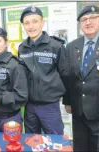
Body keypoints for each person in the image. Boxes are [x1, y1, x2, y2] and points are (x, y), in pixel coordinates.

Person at [64, 5, 99, 151]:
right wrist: (68, 101)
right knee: (80, 147)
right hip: (78, 111)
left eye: (93, 18)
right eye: (84, 20)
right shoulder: (71, 47)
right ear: (80, 25)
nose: (88, 22)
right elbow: (68, 77)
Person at [18, 6, 69, 134]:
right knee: (31, 142)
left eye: (35, 21)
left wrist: (69, 101)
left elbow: (66, 75)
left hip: (50, 107)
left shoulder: (56, 46)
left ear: (42, 22)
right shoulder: (22, 48)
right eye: (27, 23)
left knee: (55, 143)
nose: (31, 26)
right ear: (23, 26)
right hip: (29, 106)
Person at [0, 27, 28, 132]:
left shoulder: (14, 65)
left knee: (12, 147)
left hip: (10, 118)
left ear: (6, 43)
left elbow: (21, 95)